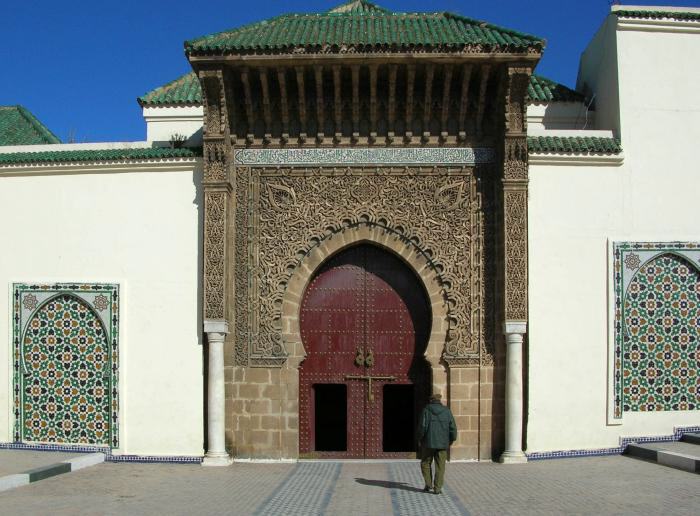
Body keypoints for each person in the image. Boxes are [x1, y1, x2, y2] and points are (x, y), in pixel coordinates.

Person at [416, 393, 457, 495]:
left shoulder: (426, 410)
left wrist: (419, 439)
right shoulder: (447, 411)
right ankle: (437, 488)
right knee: (440, 466)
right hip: (442, 443)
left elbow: (422, 427)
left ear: (431, 400)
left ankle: (428, 484)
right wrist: (452, 439)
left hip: (428, 443)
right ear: (440, 401)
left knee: (425, 463)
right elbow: (453, 427)